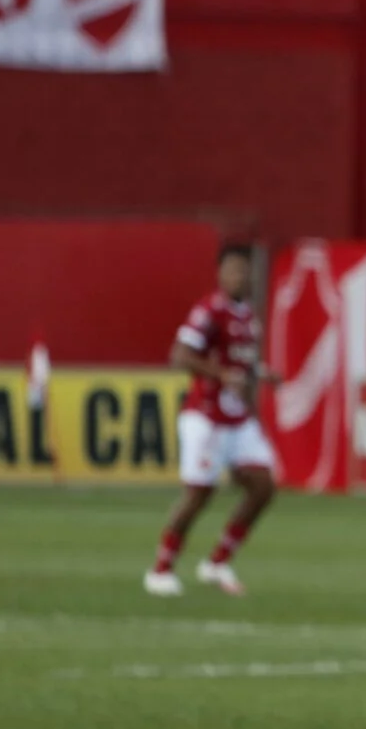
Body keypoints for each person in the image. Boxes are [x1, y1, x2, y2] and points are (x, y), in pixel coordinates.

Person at [145, 242, 276, 597]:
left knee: (263, 487)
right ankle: (161, 569)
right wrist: (220, 374)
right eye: (232, 270)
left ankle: (217, 562)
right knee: (199, 493)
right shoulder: (209, 311)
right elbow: (180, 355)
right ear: (220, 273)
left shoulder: (248, 314)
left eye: (243, 270)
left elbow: (240, 366)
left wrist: (259, 375)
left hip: (237, 418)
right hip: (206, 416)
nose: (238, 276)